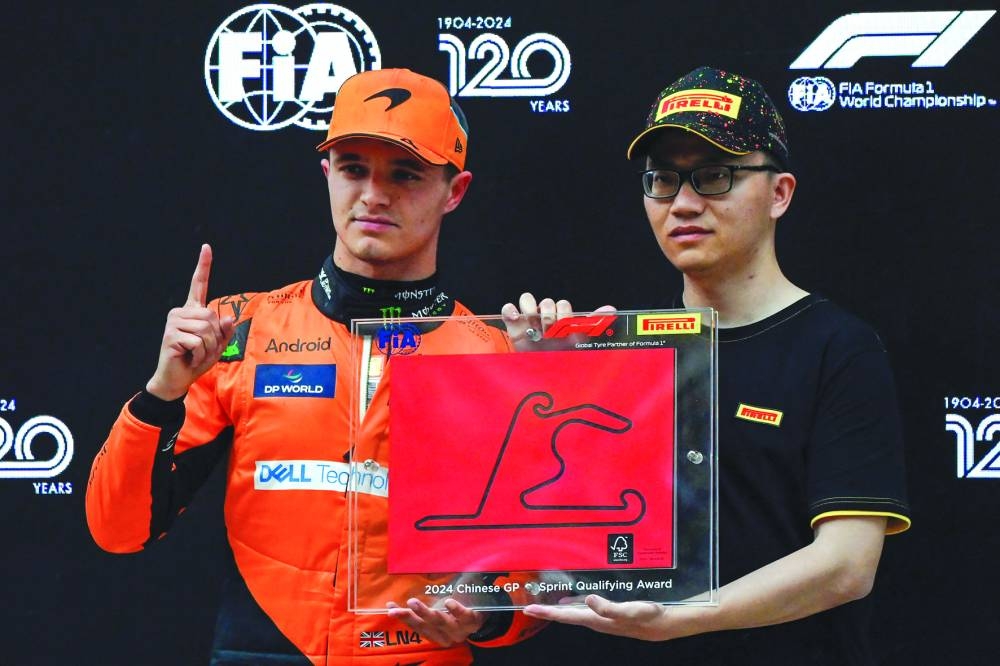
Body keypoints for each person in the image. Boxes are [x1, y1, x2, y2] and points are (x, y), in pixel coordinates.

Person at [86, 68, 543, 665]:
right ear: (327, 174)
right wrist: (161, 394)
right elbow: (118, 530)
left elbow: (539, 568)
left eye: (405, 174)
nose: (374, 195)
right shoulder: (240, 330)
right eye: (354, 168)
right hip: (265, 651)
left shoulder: (496, 355)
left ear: (454, 191)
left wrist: (484, 616)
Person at [507, 66, 911, 665]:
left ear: (779, 193)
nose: (684, 203)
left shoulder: (839, 348)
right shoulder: (617, 353)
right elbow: (565, 539)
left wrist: (685, 617)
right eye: (663, 180)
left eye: (715, 175)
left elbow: (847, 564)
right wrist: (538, 387)